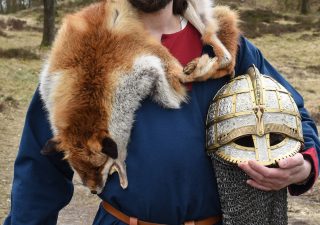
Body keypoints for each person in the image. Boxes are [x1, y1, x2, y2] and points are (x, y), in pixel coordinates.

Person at [4, 0, 319, 224]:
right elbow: (38, 170)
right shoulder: (82, 52)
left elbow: (296, 119)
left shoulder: (225, 49)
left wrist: (304, 165)